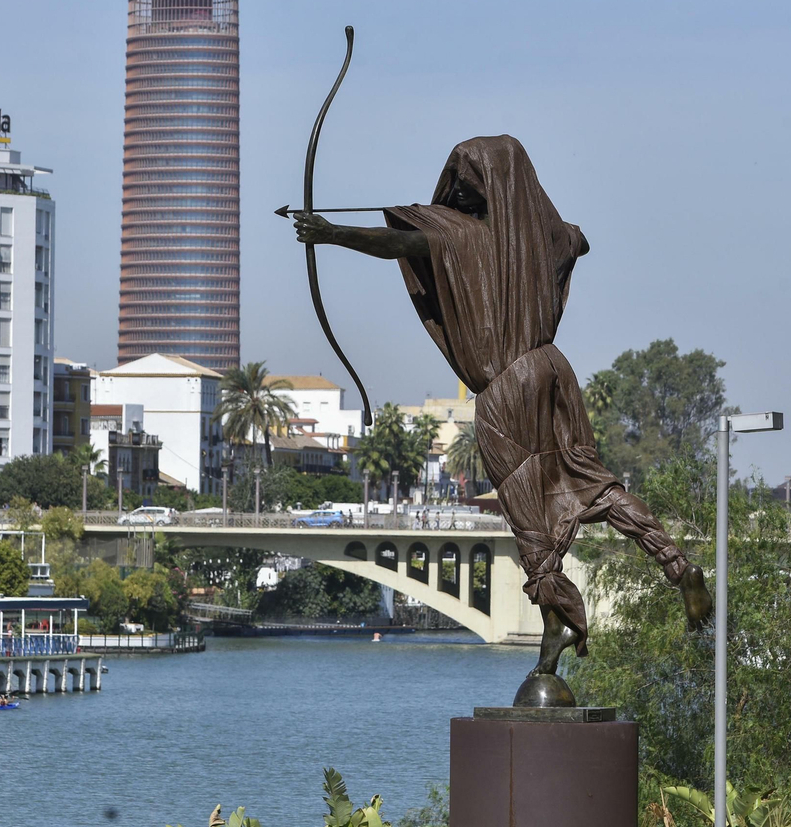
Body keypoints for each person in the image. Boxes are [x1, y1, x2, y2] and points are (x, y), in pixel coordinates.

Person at [293, 136, 712, 686]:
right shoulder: (544, 238)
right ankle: (678, 567)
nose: (457, 192)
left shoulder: (460, 240)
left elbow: (392, 242)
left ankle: (554, 624)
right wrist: (528, 220)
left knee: (527, 512)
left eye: (464, 183)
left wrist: (330, 234)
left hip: (506, 387)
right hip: (552, 369)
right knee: (592, 483)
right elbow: (577, 240)